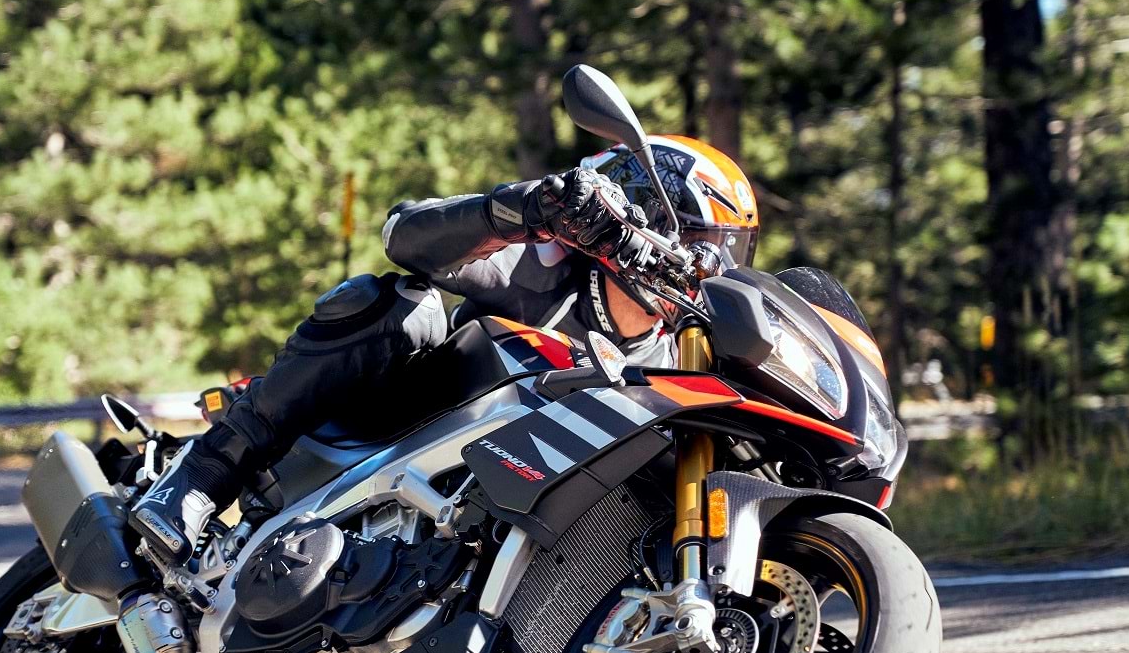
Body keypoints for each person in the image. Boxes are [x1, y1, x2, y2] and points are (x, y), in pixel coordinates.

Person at [132, 136, 760, 565]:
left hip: (492, 535)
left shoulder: (679, 364)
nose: (706, 270)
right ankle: (201, 475)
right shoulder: (538, 269)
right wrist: (523, 211)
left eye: (726, 253)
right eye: (700, 245)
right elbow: (402, 236)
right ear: (647, 220)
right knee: (403, 306)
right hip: (393, 435)